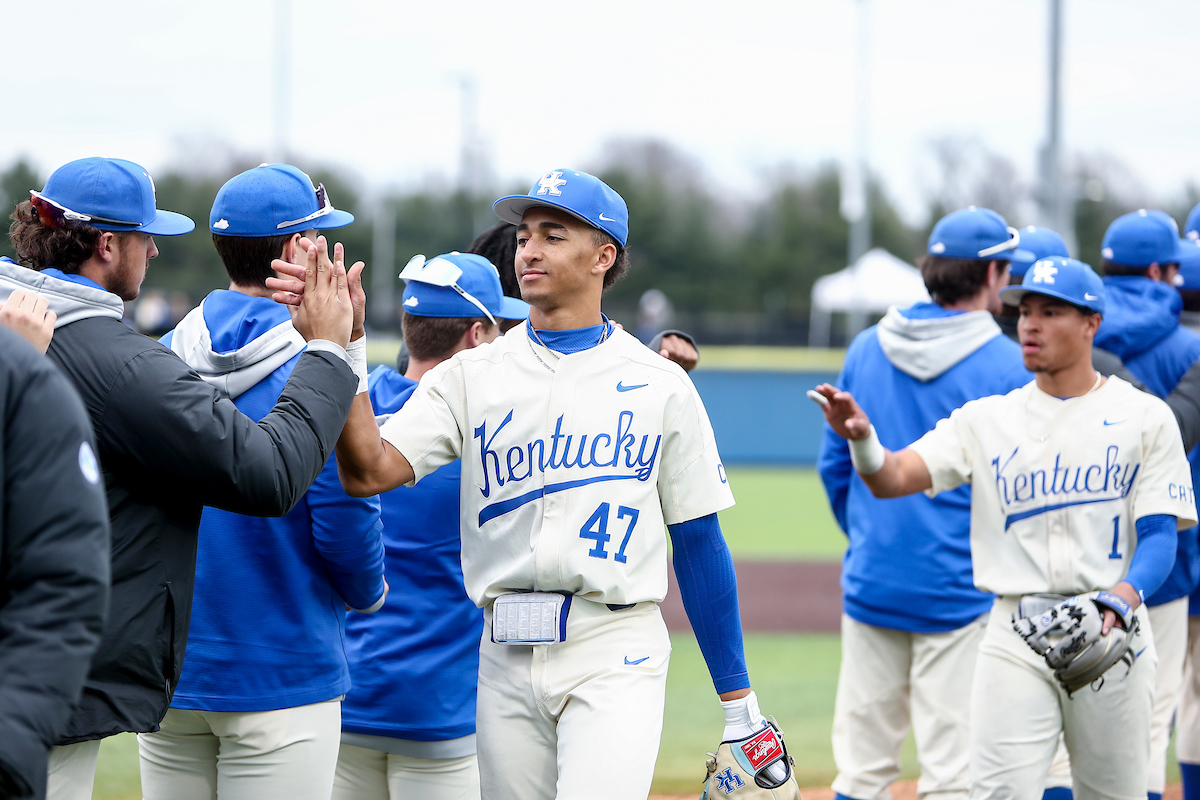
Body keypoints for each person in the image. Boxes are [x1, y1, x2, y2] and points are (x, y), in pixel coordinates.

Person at [273, 169, 793, 800]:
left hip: (614, 645)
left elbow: (701, 541)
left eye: (553, 234)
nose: (529, 250)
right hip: (503, 651)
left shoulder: (659, 383)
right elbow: (367, 471)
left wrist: (739, 707)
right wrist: (346, 347)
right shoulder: (472, 374)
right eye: (523, 236)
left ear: (604, 257)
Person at [0, 156, 360, 800]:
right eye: (146, 237)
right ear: (108, 246)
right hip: (39, 676)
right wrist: (332, 350)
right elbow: (271, 475)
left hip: (169, 684)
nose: (154, 253)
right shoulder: (123, 363)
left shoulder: (48, 335)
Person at [815, 255, 1195, 800]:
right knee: (997, 792)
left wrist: (1124, 596)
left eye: (1050, 312)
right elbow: (892, 477)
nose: (1030, 324)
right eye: (1023, 311)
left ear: (1092, 323)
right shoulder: (987, 418)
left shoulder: (1144, 416)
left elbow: (1160, 534)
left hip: (1111, 629)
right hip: (1014, 633)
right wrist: (862, 439)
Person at [136, 164, 387, 800]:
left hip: (171, 669)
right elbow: (344, 525)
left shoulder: (155, 356)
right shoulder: (321, 366)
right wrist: (368, 591)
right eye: (320, 238)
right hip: (283, 669)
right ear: (299, 249)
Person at [818, 206, 1028, 800]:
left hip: (873, 579)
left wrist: (869, 535)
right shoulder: (1008, 363)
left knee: (861, 770)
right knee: (955, 775)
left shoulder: (865, 346)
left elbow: (836, 466)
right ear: (991, 275)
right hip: (963, 593)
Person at [334, 252, 530, 800]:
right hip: (443, 711)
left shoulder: (354, 409)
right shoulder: (492, 434)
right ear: (474, 335)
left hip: (346, 697)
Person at [1092, 210, 1200, 800]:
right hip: (1168, 551)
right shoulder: (1188, 347)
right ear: (1164, 271)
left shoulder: (1070, 331)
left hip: (1078, 552)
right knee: (1155, 720)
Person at [0, 320, 110, 800]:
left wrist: (10, 744)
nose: (153, 253)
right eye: (147, 238)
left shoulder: (19, 375)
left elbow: (59, 586)